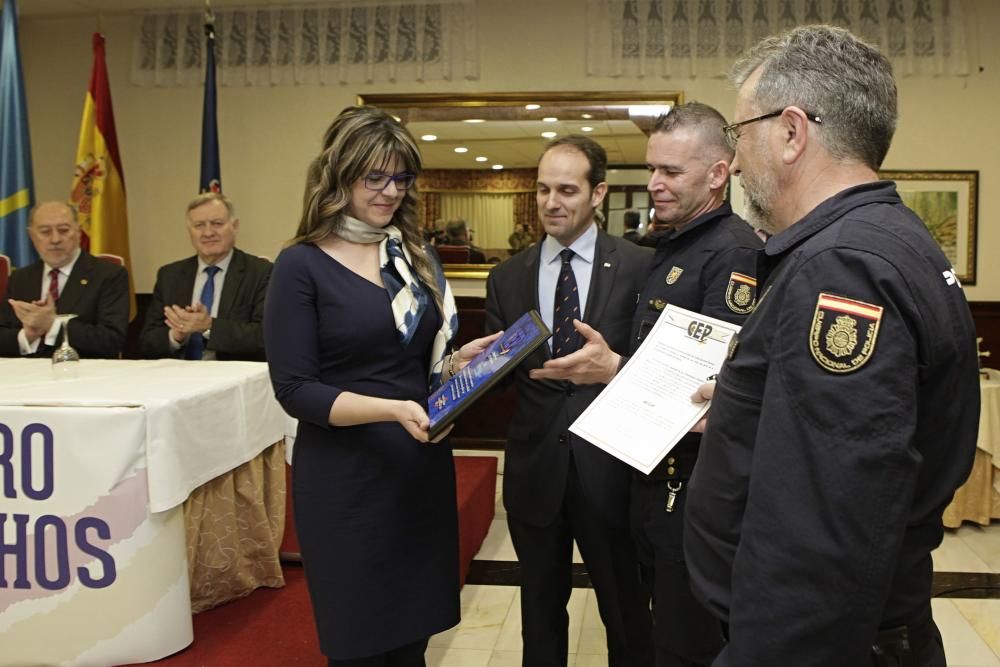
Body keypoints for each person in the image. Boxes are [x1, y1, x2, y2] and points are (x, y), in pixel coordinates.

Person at [683, 25, 979, 666]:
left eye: (740, 134)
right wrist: (742, 408)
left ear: (792, 132)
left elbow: (824, 528)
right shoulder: (885, 239)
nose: (733, 162)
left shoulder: (840, 269)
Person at [263, 106, 499, 666]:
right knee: (360, 647)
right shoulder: (301, 265)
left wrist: (458, 361)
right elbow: (295, 389)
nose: (390, 191)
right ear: (339, 175)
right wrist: (392, 410)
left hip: (417, 475)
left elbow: (417, 368)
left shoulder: (413, 257)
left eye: (402, 177)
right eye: (375, 176)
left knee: (412, 647)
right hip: (348, 482)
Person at [532, 104, 762, 667]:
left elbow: (708, 387)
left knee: (689, 645)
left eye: (672, 172)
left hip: (693, 489)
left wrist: (613, 368)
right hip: (652, 481)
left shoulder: (730, 250)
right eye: (652, 168)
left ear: (717, 174)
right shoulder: (676, 243)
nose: (655, 184)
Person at [485, 135, 654, 667]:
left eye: (566, 190)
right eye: (541, 190)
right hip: (536, 471)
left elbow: (660, 373)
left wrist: (613, 370)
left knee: (626, 613)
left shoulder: (640, 267)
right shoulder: (507, 276)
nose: (550, 202)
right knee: (538, 612)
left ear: (598, 192)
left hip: (611, 472)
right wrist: (470, 370)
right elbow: (501, 380)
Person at [139, 193, 272, 361]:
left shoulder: (261, 273)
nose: (208, 233)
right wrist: (176, 334)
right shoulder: (170, 275)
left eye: (217, 224)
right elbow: (146, 343)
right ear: (190, 231)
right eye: (199, 225)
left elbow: (265, 337)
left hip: (233, 377)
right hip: (177, 377)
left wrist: (209, 326)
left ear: (235, 226)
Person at [0, 201, 128, 358]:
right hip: (29, 375)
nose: (55, 239)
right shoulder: (21, 278)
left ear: (79, 232)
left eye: (63, 230)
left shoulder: (108, 275)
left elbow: (111, 341)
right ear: (32, 236)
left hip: (86, 374)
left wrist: (52, 325)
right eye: (45, 232)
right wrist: (28, 335)